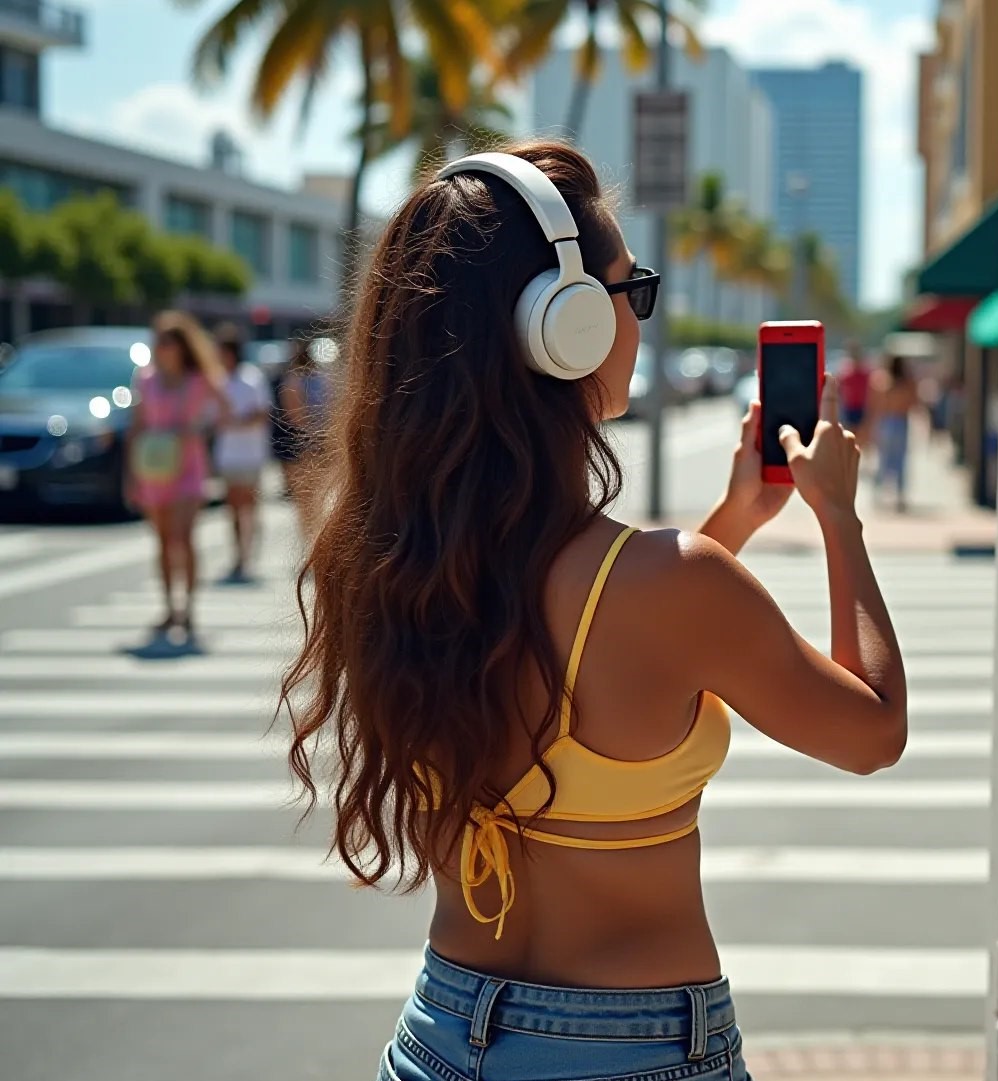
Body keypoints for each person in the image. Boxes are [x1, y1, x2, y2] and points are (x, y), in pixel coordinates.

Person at [279, 142, 908, 1081]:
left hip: (439, 1035)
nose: (638, 319)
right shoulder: (671, 583)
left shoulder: (384, 557)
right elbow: (872, 730)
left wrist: (734, 517)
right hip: (633, 1047)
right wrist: (838, 518)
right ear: (565, 326)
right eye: (632, 291)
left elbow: (597, 634)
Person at [124, 311, 226, 637]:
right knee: (164, 541)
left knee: (184, 537)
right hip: (153, 468)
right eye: (160, 341)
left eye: (170, 341)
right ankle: (169, 608)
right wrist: (131, 474)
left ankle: (189, 608)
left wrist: (197, 428)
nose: (164, 347)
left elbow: (224, 410)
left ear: (182, 346)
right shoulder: (146, 378)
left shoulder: (198, 380)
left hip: (189, 467)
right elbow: (137, 425)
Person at [211, 323, 271, 583]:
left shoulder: (252, 377)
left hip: (250, 454)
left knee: (248, 506)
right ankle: (239, 555)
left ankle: (248, 554)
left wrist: (235, 422)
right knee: (233, 508)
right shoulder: (217, 381)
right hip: (227, 455)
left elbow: (262, 414)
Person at [276, 339, 328, 540]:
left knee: (304, 497)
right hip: (322, 441)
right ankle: (317, 537)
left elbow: (293, 415)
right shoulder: (324, 379)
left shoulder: (293, 380)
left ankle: (310, 538)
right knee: (318, 495)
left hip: (302, 442)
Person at [869, 354, 921, 512]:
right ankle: (899, 496)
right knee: (900, 460)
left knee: (884, 459)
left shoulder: (882, 380)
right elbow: (914, 402)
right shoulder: (907, 382)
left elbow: (875, 404)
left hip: (886, 421)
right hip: (901, 421)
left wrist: (872, 426)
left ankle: (879, 494)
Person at [838, 339, 872, 439]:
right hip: (849, 408)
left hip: (862, 407)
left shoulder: (865, 370)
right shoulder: (845, 369)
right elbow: (840, 389)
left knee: (863, 436)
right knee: (850, 435)